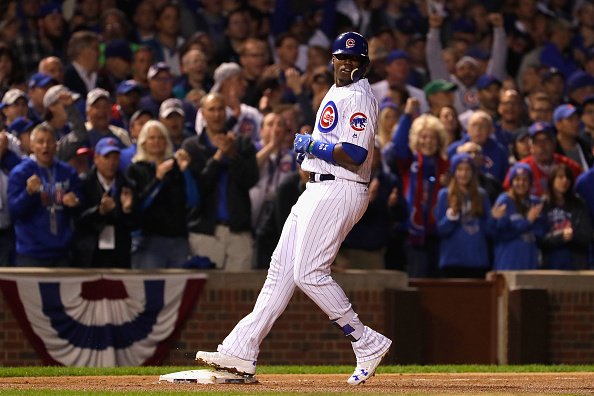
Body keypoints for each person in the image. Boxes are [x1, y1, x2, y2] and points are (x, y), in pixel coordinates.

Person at [195, 32, 392, 386]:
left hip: (341, 188)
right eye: (342, 58)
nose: (347, 64)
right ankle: (241, 349)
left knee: (309, 273)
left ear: (365, 65)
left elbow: (357, 154)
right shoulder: (337, 91)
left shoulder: (360, 96)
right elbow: (332, 144)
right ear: (333, 60)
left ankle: (365, 341)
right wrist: (312, 151)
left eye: (355, 60)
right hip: (319, 186)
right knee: (280, 270)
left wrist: (314, 145)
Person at [7, 123, 82, 267]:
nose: (45, 146)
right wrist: (28, 193)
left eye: (49, 141)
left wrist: (75, 202)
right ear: (32, 145)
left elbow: (80, 203)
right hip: (31, 253)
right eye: (40, 142)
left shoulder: (68, 172)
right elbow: (14, 210)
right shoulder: (20, 173)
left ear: (56, 145)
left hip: (62, 252)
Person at [126, 120, 197, 269]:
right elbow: (139, 205)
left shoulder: (176, 169)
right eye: (152, 138)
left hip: (178, 239)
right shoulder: (135, 169)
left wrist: (186, 172)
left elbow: (193, 200)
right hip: (149, 240)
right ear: (144, 142)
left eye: (161, 137)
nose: (157, 141)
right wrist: (157, 179)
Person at [72, 137, 136, 268]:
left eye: (115, 158)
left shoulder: (128, 185)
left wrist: (128, 210)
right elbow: (77, 218)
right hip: (90, 252)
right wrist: (99, 211)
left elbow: (136, 223)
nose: (112, 163)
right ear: (96, 158)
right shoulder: (83, 183)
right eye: (107, 157)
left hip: (119, 252)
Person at [435, 153, 492, 278]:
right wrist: (452, 215)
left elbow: (489, 231)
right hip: (452, 261)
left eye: (467, 169)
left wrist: (495, 218)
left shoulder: (481, 195)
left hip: (478, 261)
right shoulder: (445, 195)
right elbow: (441, 230)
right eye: (460, 169)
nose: (464, 173)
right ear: (454, 172)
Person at [491, 163, 545, 270]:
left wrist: (519, 227)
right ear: (511, 182)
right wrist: (527, 222)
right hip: (508, 259)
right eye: (517, 179)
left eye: (525, 179)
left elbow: (540, 232)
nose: (521, 183)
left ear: (530, 182)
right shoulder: (504, 201)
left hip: (530, 258)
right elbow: (502, 234)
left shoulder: (535, 202)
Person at [540, 164, 592, 270]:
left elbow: (587, 234)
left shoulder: (578, 203)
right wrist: (561, 236)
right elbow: (540, 238)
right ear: (552, 179)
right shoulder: (543, 204)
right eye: (560, 177)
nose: (564, 181)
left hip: (576, 263)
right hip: (551, 263)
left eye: (567, 177)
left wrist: (573, 234)